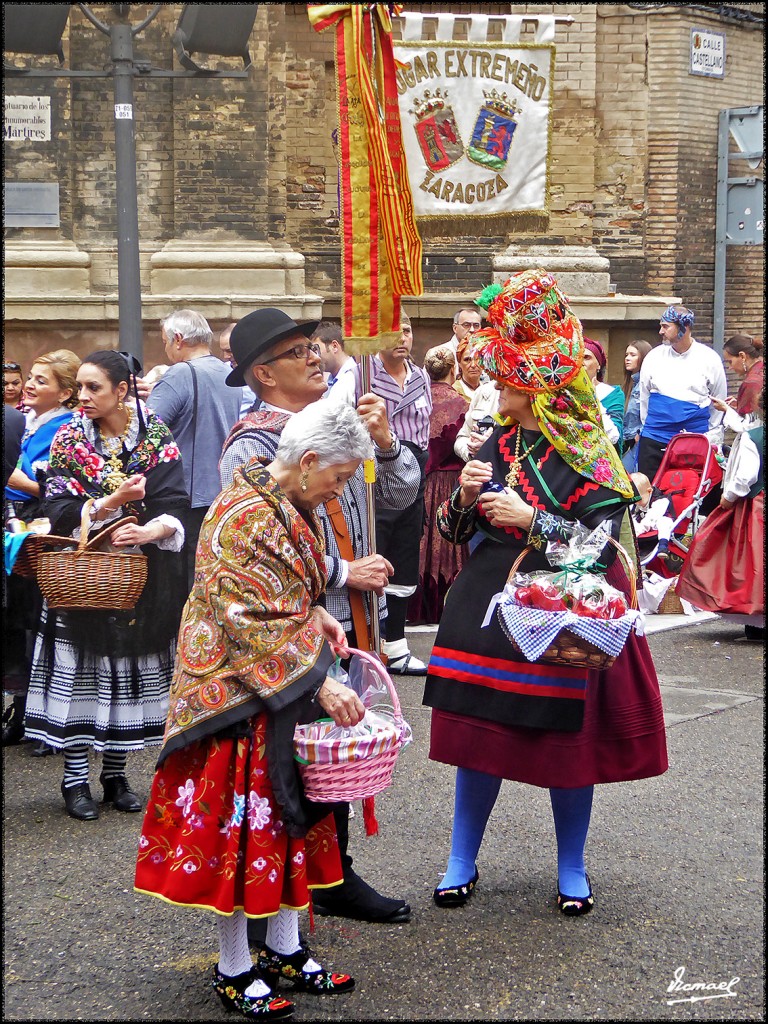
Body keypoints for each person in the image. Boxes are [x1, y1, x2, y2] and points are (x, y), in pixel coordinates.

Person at [422, 269, 668, 916]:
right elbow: (453, 532)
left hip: (562, 614)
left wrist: (536, 523)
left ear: (538, 392)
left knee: (568, 746)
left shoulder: (591, 454)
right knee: (479, 737)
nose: (498, 390)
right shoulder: (496, 442)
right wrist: (467, 498)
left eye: (507, 383)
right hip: (487, 609)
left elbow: (600, 549)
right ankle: (460, 858)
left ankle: (572, 867)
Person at [135, 401, 373, 1021]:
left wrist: (318, 608)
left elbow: (286, 592)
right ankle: (235, 965)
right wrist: (322, 683)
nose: (339, 489)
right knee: (244, 832)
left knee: (291, 818)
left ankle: (286, 950)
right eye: (341, 477)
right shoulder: (244, 516)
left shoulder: (292, 502)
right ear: (311, 460)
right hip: (238, 696)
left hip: (273, 688)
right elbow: (247, 621)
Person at [219, 306, 417, 924]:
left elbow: (400, 496)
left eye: (313, 346)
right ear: (263, 373)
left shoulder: (340, 422)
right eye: (297, 352)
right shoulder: (255, 442)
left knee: (334, 752)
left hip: (352, 614)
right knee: (291, 756)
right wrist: (340, 572)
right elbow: (258, 549)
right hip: (292, 622)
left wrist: (383, 445)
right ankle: (288, 890)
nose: (315, 356)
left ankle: (331, 874)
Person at [23, 350, 189, 821]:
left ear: (122, 391)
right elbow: (53, 510)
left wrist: (151, 530)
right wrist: (113, 500)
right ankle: (74, 779)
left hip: (137, 578)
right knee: (83, 679)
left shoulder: (155, 436)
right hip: (81, 577)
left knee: (127, 678)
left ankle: (115, 775)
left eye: (94, 388)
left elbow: (175, 502)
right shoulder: (70, 438)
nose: (84, 397)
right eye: (80, 387)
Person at [330, 313, 433, 674]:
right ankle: (373, 642)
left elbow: (425, 428)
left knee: (407, 552)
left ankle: (399, 644)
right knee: (377, 550)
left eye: (406, 330)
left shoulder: (421, 377)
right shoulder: (359, 375)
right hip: (374, 470)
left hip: (413, 468)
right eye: (393, 332)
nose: (402, 338)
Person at [3, 349, 81, 754]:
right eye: (30, 377)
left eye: (40, 380)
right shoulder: (33, 420)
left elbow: (54, 488)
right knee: (20, 621)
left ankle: (42, 723)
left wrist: (11, 477)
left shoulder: (66, 428)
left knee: (39, 621)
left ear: (66, 393)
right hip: (20, 525)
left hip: (45, 528)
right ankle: (21, 712)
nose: (29, 385)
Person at [147, 309, 242, 591]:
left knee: (178, 586)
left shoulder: (179, 375)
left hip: (185, 496)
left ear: (178, 339)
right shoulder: (228, 373)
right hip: (220, 491)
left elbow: (147, 432)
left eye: (165, 341)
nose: (165, 349)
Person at [676, 394, 764, 641]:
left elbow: (745, 477)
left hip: (756, 507)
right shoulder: (750, 433)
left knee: (749, 564)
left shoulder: (753, 437)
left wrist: (730, 496)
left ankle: (756, 627)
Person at [408, 346, 469, 625]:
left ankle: (415, 605)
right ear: (453, 370)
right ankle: (446, 604)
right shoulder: (463, 403)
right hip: (449, 482)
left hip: (418, 478)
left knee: (422, 541)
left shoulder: (415, 400)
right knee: (448, 541)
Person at [638, 305, 727, 481]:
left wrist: (712, 435)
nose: (660, 331)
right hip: (655, 437)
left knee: (690, 490)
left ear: (684, 327)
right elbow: (644, 397)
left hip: (694, 439)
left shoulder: (709, 359)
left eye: (665, 326)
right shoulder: (654, 357)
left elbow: (718, 401)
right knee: (649, 490)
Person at [582, 338, 624, 450]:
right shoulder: (565, 392)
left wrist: (592, 397)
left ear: (598, 365)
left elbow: (614, 437)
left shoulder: (612, 394)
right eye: (577, 358)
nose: (581, 363)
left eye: (586, 358)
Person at [621, 340, 653, 471]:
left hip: (639, 443)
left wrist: (641, 433)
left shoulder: (647, 385)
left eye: (633, 355)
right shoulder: (629, 385)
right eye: (626, 355)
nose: (627, 358)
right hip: (625, 443)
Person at [629, 471, 675, 561]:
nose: (636, 503)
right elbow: (631, 513)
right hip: (643, 521)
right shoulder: (638, 501)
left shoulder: (660, 501)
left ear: (649, 491)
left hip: (658, 521)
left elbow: (650, 519)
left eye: (638, 499)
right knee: (631, 518)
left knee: (664, 522)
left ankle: (663, 545)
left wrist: (636, 532)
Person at [453, 378, 500, 463]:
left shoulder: (529, 399)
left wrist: (490, 447)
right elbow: (462, 438)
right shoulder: (484, 391)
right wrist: (472, 449)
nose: (498, 386)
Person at [219, 321, 257, 415]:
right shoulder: (219, 372)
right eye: (223, 351)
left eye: (229, 351)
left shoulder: (261, 372)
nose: (225, 356)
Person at [722, 334, 764, 418]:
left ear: (742, 356)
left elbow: (749, 425)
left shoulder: (751, 383)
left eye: (730, 362)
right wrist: (740, 404)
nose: (730, 367)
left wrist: (726, 409)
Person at [312, 320, 357, 394]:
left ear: (334, 346)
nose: (314, 356)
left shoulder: (354, 379)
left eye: (316, 349)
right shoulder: (329, 381)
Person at [452, 334, 484, 402]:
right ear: (459, 363)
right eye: (467, 360)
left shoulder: (490, 391)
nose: (473, 365)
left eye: (477, 359)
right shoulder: (453, 393)